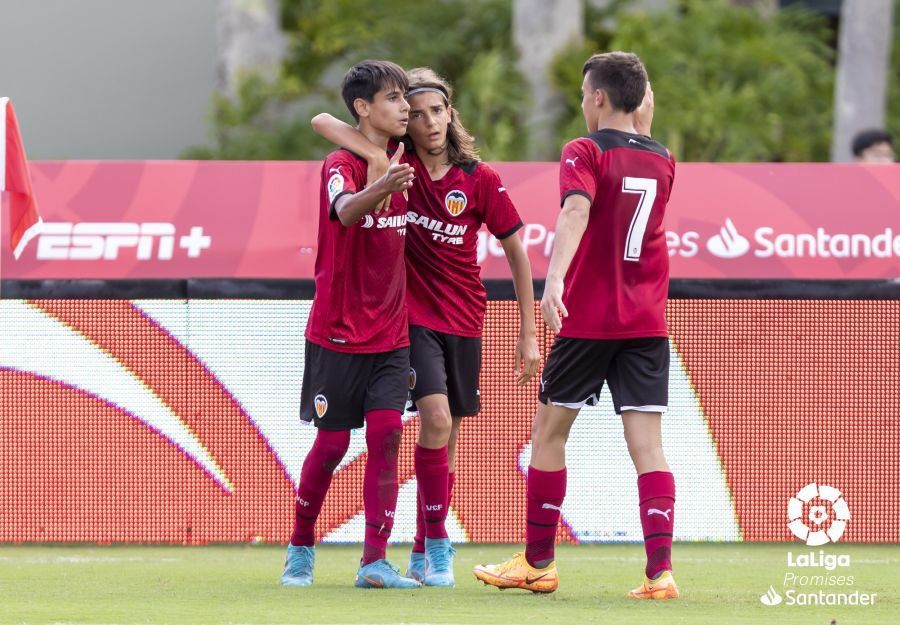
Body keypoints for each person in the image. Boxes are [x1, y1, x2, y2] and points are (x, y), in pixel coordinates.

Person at [312, 67, 541, 587]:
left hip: (465, 317)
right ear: (403, 124)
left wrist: (528, 332)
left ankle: (424, 548)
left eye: (438, 110)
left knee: (447, 433)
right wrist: (376, 156)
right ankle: (434, 545)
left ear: (450, 113)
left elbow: (516, 250)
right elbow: (325, 120)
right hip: (410, 318)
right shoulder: (397, 166)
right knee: (433, 418)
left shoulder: (477, 177)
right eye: (415, 113)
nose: (430, 121)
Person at [473, 51, 680, 600]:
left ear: (597, 98)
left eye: (585, 94)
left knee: (548, 434)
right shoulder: (663, 158)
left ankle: (539, 563)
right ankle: (660, 574)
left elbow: (576, 211)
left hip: (589, 320)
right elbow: (637, 141)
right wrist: (639, 106)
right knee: (649, 449)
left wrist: (555, 280)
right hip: (646, 323)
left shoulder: (583, 150)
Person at [280, 59, 421, 589]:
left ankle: (374, 561)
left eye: (406, 98)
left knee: (386, 436)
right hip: (338, 330)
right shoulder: (343, 162)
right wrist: (381, 181)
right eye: (393, 98)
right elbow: (344, 211)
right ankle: (300, 545)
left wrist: (388, 166)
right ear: (364, 108)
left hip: (391, 333)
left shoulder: (402, 158)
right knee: (334, 445)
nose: (404, 108)